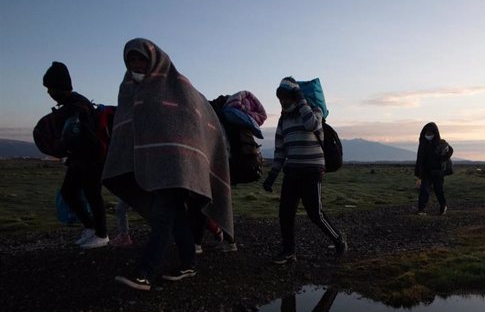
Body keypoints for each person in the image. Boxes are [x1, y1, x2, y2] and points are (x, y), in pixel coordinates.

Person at [102, 38, 233, 291]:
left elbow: (194, 121)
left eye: (141, 59)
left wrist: (185, 156)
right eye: (131, 60)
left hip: (179, 167)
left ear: (154, 59)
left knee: (163, 217)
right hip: (153, 167)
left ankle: (145, 274)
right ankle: (188, 265)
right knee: (177, 219)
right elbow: (127, 128)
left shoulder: (177, 85)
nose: (137, 65)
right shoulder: (128, 89)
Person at [262, 77, 347, 264]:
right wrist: (272, 175)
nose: (282, 101)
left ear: (294, 95)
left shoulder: (313, 111)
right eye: (280, 97)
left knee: (315, 213)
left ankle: (338, 239)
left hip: (312, 170)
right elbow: (280, 149)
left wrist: (301, 100)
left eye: (286, 96)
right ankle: (289, 251)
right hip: (292, 171)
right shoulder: (283, 120)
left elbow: (312, 125)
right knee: (285, 213)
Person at [42, 61, 109, 248]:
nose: (49, 92)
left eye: (50, 88)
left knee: (92, 194)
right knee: (69, 192)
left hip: (91, 158)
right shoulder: (73, 103)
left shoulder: (76, 106)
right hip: (80, 159)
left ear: (60, 87)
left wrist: (60, 147)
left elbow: (74, 134)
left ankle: (102, 234)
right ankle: (91, 228)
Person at [414, 122, 453, 215]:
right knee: (424, 190)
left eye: (430, 134)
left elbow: (450, 151)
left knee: (438, 190)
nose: (428, 135)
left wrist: (443, 157)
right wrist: (419, 175)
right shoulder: (423, 145)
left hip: (438, 172)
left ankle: (443, 206)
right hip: (427, 172)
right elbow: (420, 159)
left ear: (435, 133)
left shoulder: (441, 143)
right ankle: (421, 209)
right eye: (427, 134)